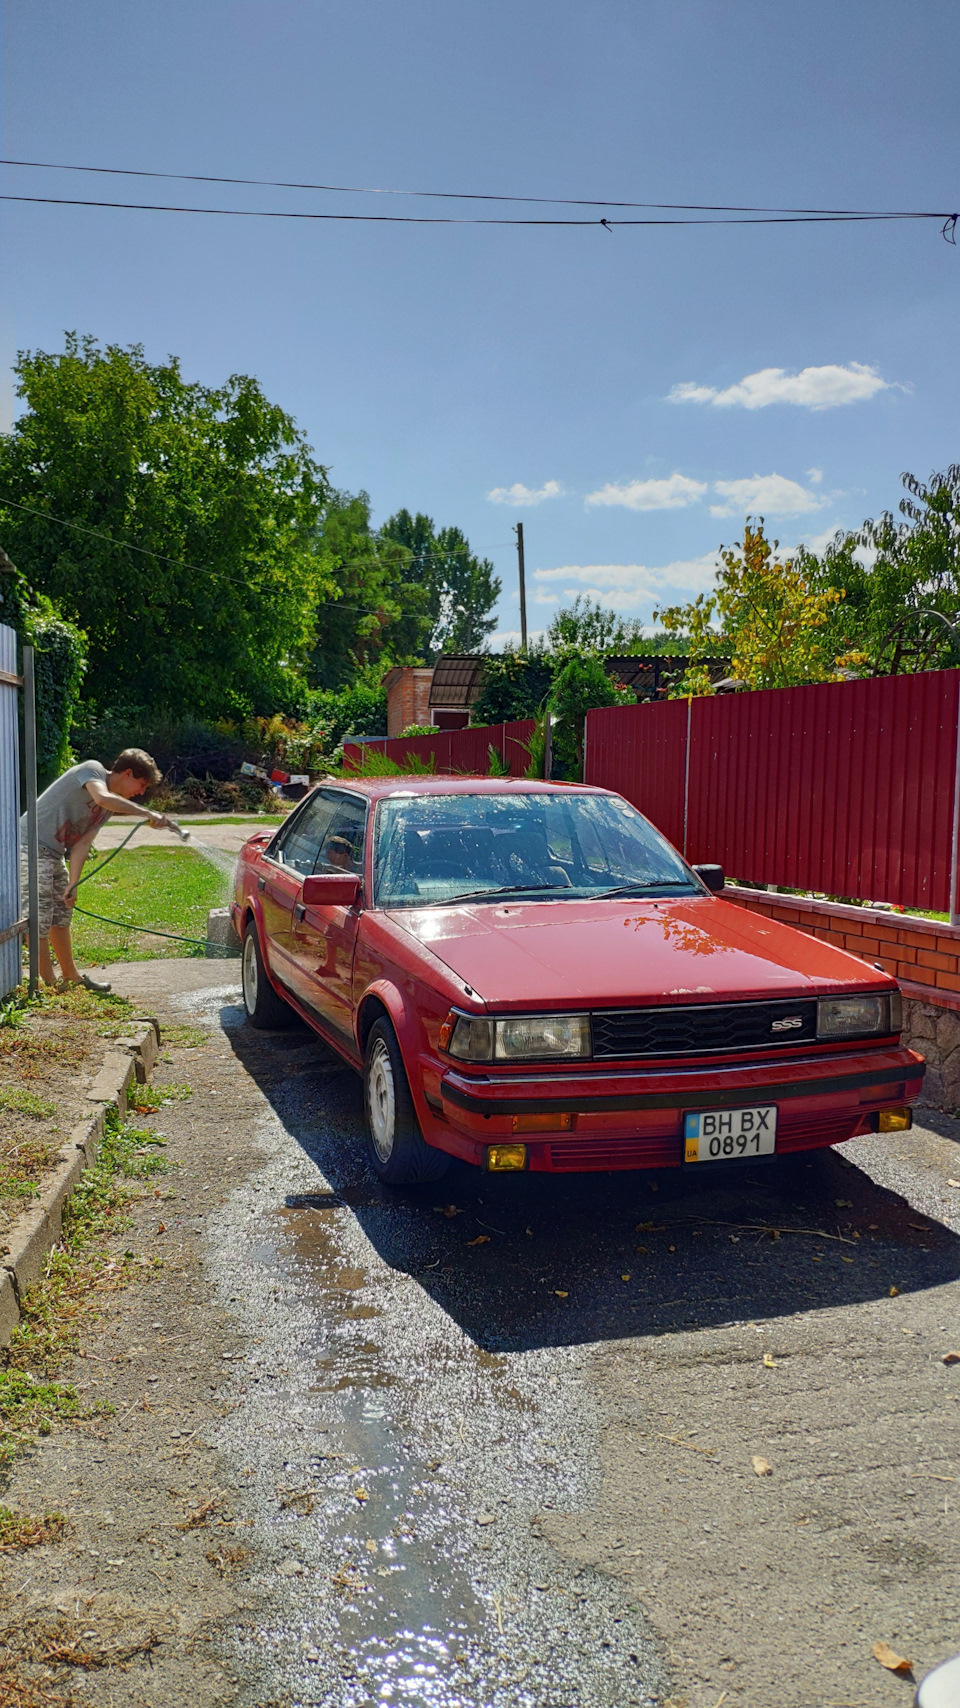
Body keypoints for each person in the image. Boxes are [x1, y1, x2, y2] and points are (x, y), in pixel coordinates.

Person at [20, 748, 169, 993]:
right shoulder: (92, 770)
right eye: (141, 784)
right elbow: (100, 797)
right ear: (127, 773)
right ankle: (49, 984)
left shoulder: (107, 809)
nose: (141, 792)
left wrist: (74, 882)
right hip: (28, 845)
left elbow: (82, 844)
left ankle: (71, 977)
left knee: (61, 913)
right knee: (39, 917)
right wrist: (147, 813)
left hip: (53, 853)